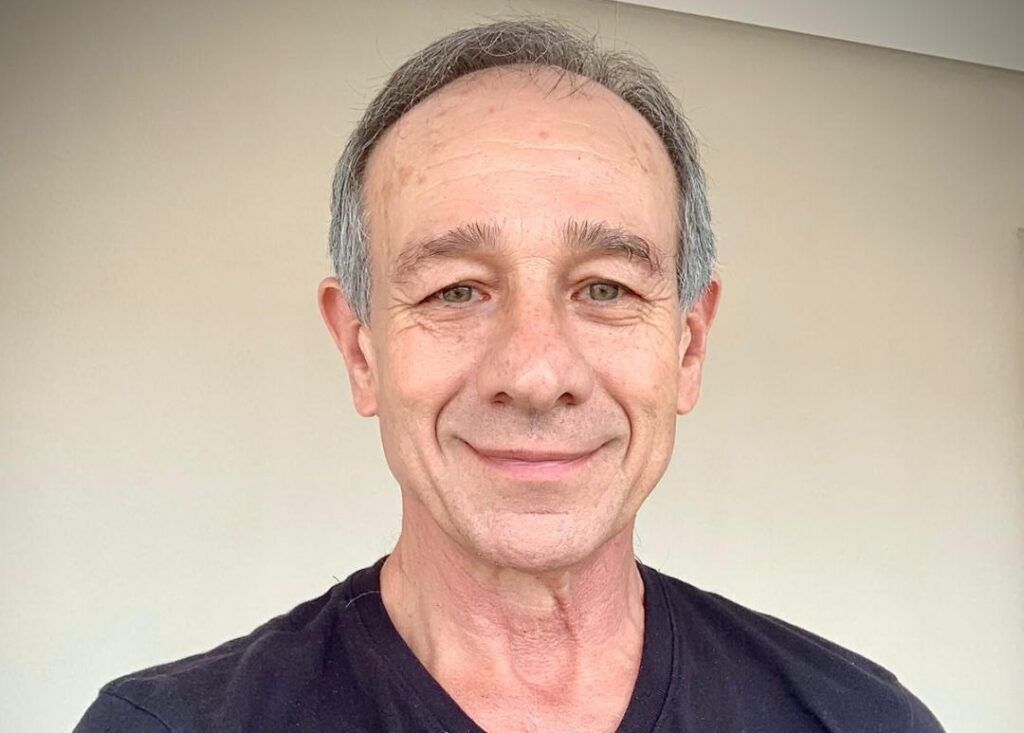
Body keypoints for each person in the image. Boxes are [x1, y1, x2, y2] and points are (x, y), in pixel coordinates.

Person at [75, 18, 944, 733]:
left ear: (687, 347)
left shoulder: (864, 719)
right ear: (361, 351)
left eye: (605, 288)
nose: (534, 372)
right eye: (456, 290)